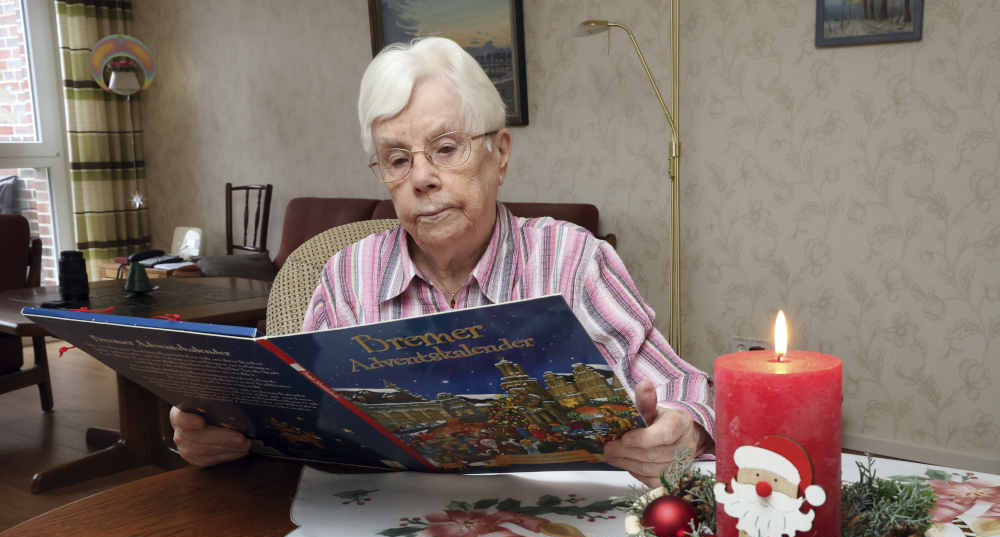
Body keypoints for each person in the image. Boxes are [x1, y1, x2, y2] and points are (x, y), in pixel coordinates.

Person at [171, 37, 714, 487]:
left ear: (499, 153)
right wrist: (226, 433)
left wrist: (682, 431)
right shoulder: (346, 277)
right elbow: (298, 415)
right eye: (397, 159)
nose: (422, 177)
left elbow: (683, 387)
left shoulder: (572, 259)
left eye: (446, 148)